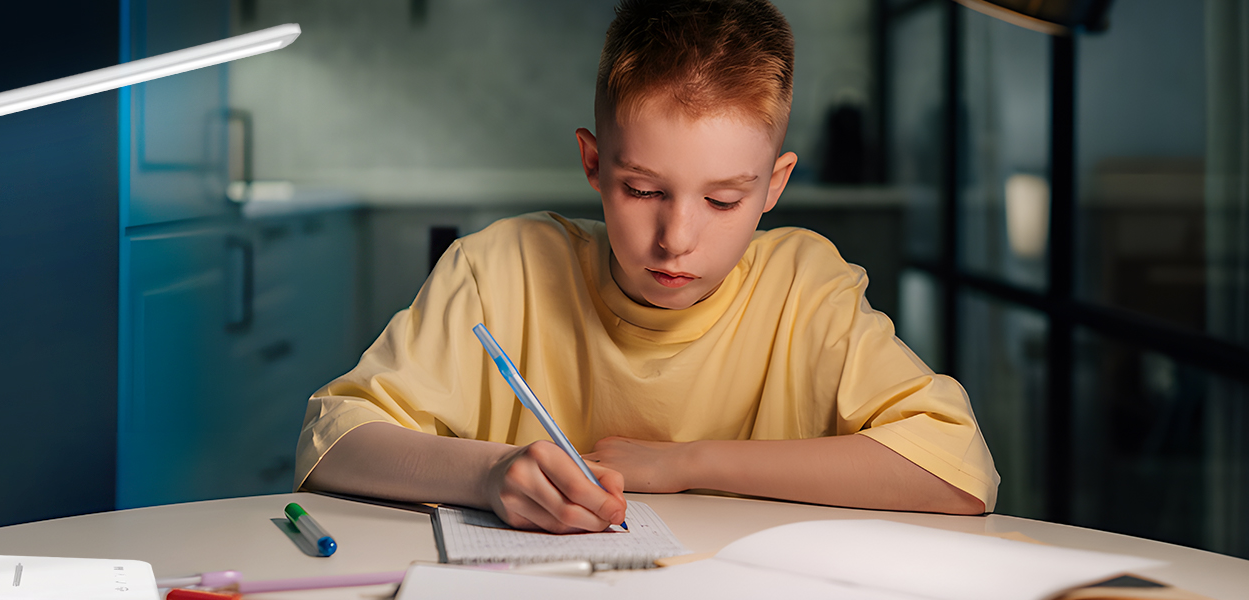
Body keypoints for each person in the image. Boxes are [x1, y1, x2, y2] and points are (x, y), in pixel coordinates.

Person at [295, 0, 998, 533]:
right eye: (642, 191)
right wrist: (490, 474)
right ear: (594, 165)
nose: (676, 238)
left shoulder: (805, 288)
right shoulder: (497, 270)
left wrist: (683, 464)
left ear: (774, 186)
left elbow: (959, 469)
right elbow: (332, 443)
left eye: (724, 199)